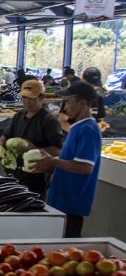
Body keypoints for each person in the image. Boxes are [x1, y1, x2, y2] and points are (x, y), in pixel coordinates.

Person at [32, 82, 101, 238]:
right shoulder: (77, 128)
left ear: (83, 103)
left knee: (67, 244)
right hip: (61, 197)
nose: (65, 106)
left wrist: (54, 162)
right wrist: (51, 161)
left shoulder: (88, 129)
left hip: (72, 201)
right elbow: (70, 157)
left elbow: (85, 167)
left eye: (68, 101)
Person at [0, 80, 62, 196]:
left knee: (31, 205)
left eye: (30, 98)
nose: (26, 101)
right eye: (23, 97)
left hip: (36, 174)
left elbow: (58, 150)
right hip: (15, 172)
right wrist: (1, 141)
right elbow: (7, 133)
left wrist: (32, 148)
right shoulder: (19, 115)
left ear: (41, 97)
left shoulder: (49, 120)